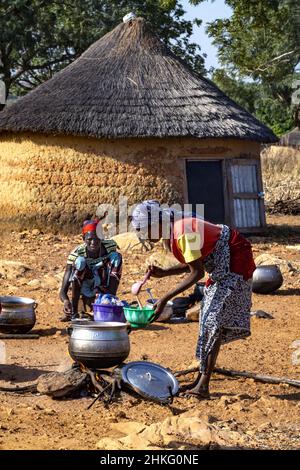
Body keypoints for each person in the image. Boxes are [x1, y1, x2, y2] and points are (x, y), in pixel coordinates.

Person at [131, 200, 256, 399]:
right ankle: (200, 380)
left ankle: (203, 386)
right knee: (207, 322)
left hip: (235, 262)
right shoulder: (174, 232)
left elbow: (197, 273)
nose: (145, 236)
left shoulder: (182, 232)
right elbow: (194, 263)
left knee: (212, 321)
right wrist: (164, 273)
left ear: (155, 223)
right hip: (221, 266)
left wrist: (164, 299)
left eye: (145, 230)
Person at [59, 218, 122, 321]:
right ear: (83, 238)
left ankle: (109, 301)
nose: (93, 242)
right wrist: (66, 302)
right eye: (89, 239)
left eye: (97, 238)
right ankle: (74, 312)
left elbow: (112, 267)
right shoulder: (76, 254)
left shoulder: (110, 246)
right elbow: (63, 291)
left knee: (117, 257)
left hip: (102, 285)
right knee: (80, 262)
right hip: (85, 286)